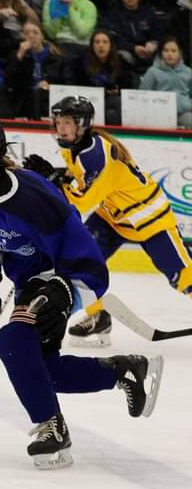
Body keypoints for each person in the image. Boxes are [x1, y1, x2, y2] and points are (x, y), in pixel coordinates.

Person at [0, 112, 163, 469]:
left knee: (13, 342)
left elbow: (88, 260)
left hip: (62, 280)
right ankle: (124, 370)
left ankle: (51, 428)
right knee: (42, 370)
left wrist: (69, 292)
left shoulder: (33, 197)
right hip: (29, 282)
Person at [23, 96, 192, 346]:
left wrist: (51, 180)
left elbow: (79, 202)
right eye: (58, 121)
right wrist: (53, 177)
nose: (61, 128)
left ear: (82, 124)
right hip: (112, 217)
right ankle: (100, 317)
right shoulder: (76, 147)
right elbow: (78, 181)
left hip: (149, 218)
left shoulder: (96, 156)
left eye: (67, 122)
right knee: (80, 261)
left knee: (182, 277)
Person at [70, 30, 135, 124]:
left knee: (115, 106)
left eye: (105, 42)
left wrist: (117, 91)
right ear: (92, 45)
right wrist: (103, 92)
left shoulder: (121, 62)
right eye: (97, 42)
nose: (101, 45)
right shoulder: (81, 63)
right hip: (88, 101)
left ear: (111, 45)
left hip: (112, 101)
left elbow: (127, 86)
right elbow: (80, 86)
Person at [5, 21, 62, 118]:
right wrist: (19, 55)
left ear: (42, 36)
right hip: (24, 101)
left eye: (35, 33)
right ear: (22, 37)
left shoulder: (56, 57)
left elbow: (65, 82)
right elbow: (8, 81)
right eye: (27, 33)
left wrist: (50, 86)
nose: (31, 36)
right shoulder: (17, 55)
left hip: (49, 99)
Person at [139, 37, 192, 129]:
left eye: (173, 51)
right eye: (166, 50)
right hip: (159, 113)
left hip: (184, 112)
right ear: (161, 53)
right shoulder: (152, 72)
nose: (169, 54)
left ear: (180, 53)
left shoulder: (188, 72)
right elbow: (143, 95)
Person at [103, 0, 160, 75]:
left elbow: (158, 35)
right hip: (126, 51)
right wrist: (133, 48)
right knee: (122, 56)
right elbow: (113, 39)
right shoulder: (113, 14)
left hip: (148, 52)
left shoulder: (149, 13)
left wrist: (153, 44)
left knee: (166, 54)